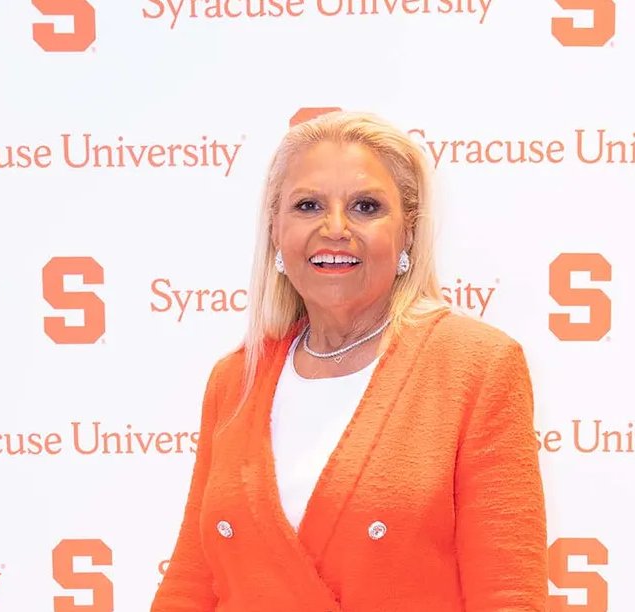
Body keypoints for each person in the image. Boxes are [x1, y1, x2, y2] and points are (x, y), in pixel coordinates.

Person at [150, 110, 548, 611]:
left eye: (365, 207)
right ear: (276, 230)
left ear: (408, 233)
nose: (334, 228)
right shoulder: (235, 381)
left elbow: (509, 597)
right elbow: (191, 583)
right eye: (308, 205)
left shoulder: (478, 366)